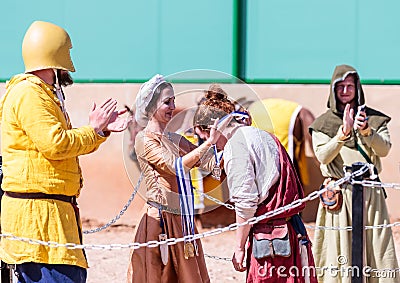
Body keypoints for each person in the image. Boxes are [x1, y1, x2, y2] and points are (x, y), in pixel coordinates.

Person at [0, 21, 130, 283]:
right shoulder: (29, 93)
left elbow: (61, 146)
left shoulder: (42, 94)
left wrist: (100, 132)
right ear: (54, 55)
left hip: (51, 214)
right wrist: (94, 129)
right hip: (40, 219)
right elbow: (56, 144)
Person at [193, 84, 317, 282]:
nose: (210, 145)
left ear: (213, 129)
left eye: (206, 138)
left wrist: (239, 247)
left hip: (272, 243)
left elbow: (246, 204)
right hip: (291, 232)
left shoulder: (236, 147)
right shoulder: (262, 134)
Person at [127, 75, 226, 283]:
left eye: (173, 100)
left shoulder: (175, 138)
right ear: (152, 106)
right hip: (160, 220)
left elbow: (210, 165)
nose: (173, 106)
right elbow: (175, 166)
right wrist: (208, 144)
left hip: (183, 219)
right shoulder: (144, 139)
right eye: (166, 102)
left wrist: (225, 143)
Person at [309, 64, 399, 282]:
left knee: (375, 244)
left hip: (370, 194)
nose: (345, 91)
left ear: (357, 88)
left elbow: (384, 149)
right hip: (339, 195)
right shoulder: (323, 124)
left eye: (350, 86)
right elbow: (323, 156)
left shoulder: (375, 119)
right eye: (340, 86)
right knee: (338, 248)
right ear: (333, 89)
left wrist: (367, 130)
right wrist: (343, 133)